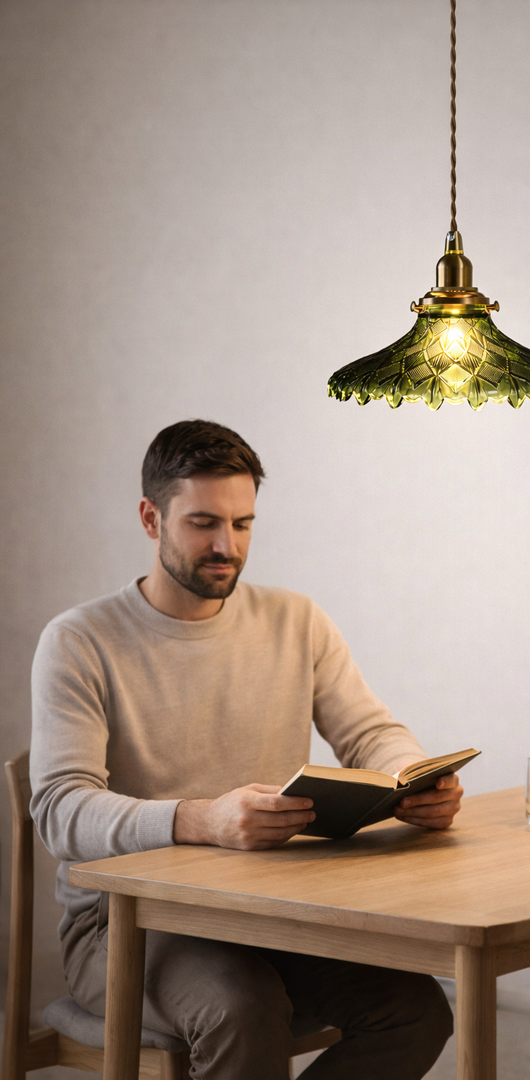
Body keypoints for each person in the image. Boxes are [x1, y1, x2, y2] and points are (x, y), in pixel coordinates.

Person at [30, 419, 461, 1080]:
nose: (226, 546)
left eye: (242, 524)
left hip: (266, 912)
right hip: (123, 927)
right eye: (203, 523)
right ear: (151, 518)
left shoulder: (296, 620)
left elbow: (370, 733)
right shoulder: (80, 640)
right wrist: (202, 819)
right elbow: (61, 810)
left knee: (417, 1010)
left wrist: (412, 777)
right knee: (242, 1007)